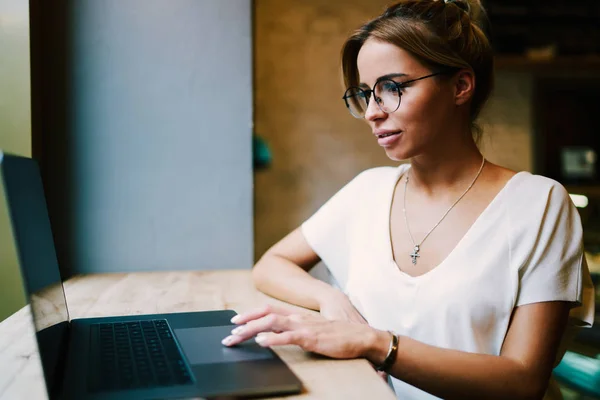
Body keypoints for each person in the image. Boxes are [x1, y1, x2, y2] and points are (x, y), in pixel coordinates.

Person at [222, 0, 595, 398]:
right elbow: (271, 265)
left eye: (392, 88)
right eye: (366, 93)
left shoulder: (539, 205)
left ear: (460, 86)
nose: (372, 113)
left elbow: (522, 381)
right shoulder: (369, 190)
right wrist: (330, 300)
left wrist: (375, 343)